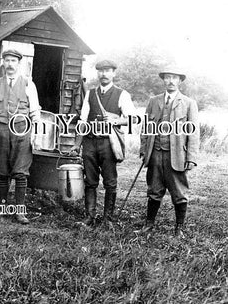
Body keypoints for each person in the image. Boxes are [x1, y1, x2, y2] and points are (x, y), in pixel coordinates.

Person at [69, 60, 135, 227]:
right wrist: (77, 144)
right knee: (90, 181)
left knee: (110, 182)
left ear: (114, 73)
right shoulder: (91, 94)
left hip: (108, 143)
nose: (104, 74)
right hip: (90, 142)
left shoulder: (122, 94)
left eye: (107, 71)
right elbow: (83, 121)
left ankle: (108, 219)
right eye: (101, 71)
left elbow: (132, 120)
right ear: (97, 73)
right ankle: (89, 217)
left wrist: (114, 119)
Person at [0, 49, 41, 225]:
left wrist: (35, 134)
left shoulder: (29, 84)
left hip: (22, 130)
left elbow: (35, 111)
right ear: (3, 63)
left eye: (13, 61)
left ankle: (20, 211)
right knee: (2, 171)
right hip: (1, 131)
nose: (9, 64)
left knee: (20, 172)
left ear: (18, 64)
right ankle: (2, 207)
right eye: (7, 60)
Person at [138, 66, 199, 237]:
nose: (171, 81)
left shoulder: (188, 103)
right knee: (154, 190)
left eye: (174, 77)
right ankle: (148, 225)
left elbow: (193, 133)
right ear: (163, 80)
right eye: (167, 77)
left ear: (180, 81)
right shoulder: (153, 101)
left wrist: (191, 157)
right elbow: (146, 128)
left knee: (179, 193)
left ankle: (179, 229)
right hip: (155, 153)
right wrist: (144, 150)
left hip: (177, 155)